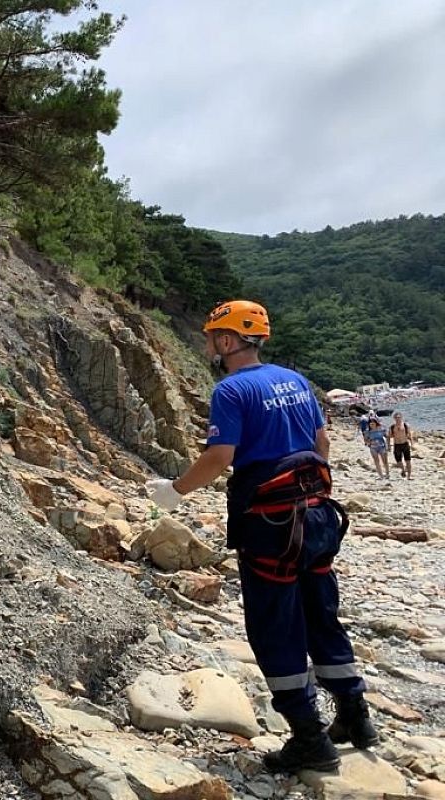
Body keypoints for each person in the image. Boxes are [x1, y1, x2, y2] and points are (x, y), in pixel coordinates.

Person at [147, 300, 376, 774]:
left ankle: (310, 739)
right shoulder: (294, 381)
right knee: (322, 612)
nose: (208, 343)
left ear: (228, 340)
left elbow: (220, 457)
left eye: (212, 336)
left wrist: (175, 491)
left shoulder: (231, 391)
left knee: (275, 625)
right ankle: (355, 716)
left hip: (269, 524)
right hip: (316, 517)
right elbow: (323, 445)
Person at [389, 412, 414, 478]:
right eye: (396, 417)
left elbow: (410, 435)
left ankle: (409, 476)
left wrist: (412, 444)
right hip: (397, 445)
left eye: (399, 417)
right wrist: (388, 446)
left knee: (408, 460)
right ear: (394, 418)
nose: (398, 419)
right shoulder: (392, 427)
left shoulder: (406, 425)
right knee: (398, 461)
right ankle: (403, 469)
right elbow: (389, 436)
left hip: (405, 444)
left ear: (401, 417)